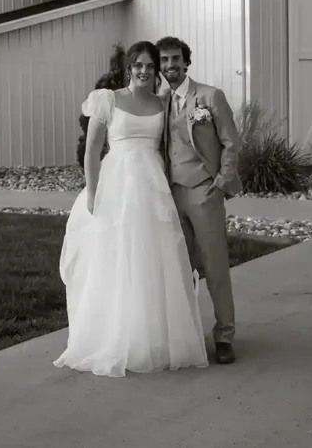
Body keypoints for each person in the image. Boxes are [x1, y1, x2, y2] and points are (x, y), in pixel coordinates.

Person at [53, 41, 209, 377]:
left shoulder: (163, 103)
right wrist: (93, 191)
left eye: (150, 66)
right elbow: (92, 149)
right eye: (138, 65)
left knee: (154, 260)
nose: (144, 71)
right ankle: (115, 335)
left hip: (153, 189)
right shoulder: (108, 100)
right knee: (116, 259)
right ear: (129, 68)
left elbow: (172, 144)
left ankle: (152, 337)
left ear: (156, 72)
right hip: (116, 188)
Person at [157, 36, 242, 364]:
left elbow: (231, 143)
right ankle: (188, 334)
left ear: (186, 61)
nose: (170, 65)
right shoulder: (162, 102)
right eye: (164, 60)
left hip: (205, 193)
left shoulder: (210, 96)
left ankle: (224, 336)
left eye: (175, 58)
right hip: (172, 195)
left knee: (215, 267)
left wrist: (220, 185)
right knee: (180, 268)